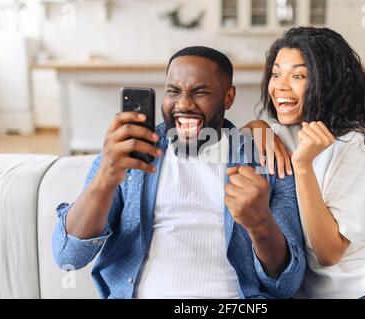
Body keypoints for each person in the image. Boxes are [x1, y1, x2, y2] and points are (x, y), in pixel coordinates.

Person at [52, 46, 306, 299]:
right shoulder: (127, 154)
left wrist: (260, 224)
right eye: (173, 91)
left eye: (200, 92)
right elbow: (68, 257)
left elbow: (286, 285)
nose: (183, 103)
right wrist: (103, 182)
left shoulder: (264, 159)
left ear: (228, 97)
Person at [244, 27, 365, 299]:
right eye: (276, 74)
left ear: (326, 82)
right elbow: (233, 137)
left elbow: (329, 252)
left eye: (298, 76)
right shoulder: (281, 133)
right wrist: (256, 127)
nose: (280, 85)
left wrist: (303, 166)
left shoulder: (359, 143)